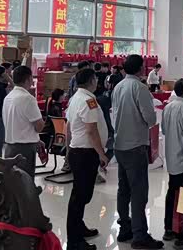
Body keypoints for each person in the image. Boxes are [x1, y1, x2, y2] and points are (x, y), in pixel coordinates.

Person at [112, 55, 163, 249]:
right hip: (135, 145)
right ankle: (140, 235)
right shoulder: (140, 88)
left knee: (123, 189)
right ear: (141, 68)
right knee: (139, 191)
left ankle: (125, 227)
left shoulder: (119, 87)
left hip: (120, 144)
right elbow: (150, 118)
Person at [66, 68, 109, 250]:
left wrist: (68, 148)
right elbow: (91, 131)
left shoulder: (75, 98)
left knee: (82, 194)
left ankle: (79, 227)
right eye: (96, 79)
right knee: (80, 196)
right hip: (85, 153)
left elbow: (68, 125)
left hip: (78, 151)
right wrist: (102, 154)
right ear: (92, 81)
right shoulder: (89, 101)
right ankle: (74, 240)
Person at [161, 77, 183, 246]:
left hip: (172, 157)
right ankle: (181, 233)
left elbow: (164, 130)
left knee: (172, 193)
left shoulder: (169, 107)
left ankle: (169, 228)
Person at [2, 66, 45, 178]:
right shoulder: (28, 98)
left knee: (11, 180)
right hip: (24, 149)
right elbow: (39, 126)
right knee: (25, 181)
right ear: (29, 79)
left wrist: (36, 139)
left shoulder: (8, 97)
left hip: (9, 147)